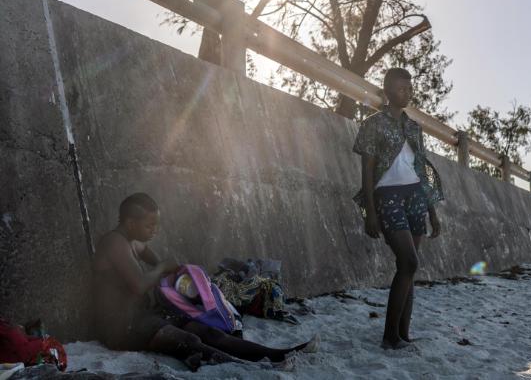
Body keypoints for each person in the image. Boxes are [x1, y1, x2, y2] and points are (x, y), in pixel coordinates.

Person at [92, 193, 317, 369]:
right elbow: (139, 285)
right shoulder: (114, 243)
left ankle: (278, 354)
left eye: (156, 225)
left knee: (208, 332)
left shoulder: (133, 241)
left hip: (144, 318)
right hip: (121, 329)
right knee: (188, 340)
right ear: (131, 223)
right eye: (149, 226)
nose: (154, 231)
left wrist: (174, 269)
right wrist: (161, 267)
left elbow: (156, 259)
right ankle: (246, 367)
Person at [353, 68, 444, 350]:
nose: (408, 93)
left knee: (408, 268)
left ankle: (403, 335)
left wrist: (432, 211)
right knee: (409, 262)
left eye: (410, 88)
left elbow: (423, 169)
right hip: (387, 196)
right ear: (388, 91)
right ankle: (390, 336)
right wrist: (369, 212)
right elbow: (366, 172)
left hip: (416, 195)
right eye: (402, 88)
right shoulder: (373, 124)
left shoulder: (414, 128)